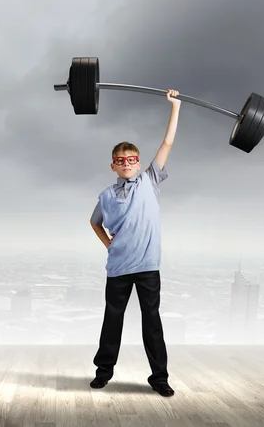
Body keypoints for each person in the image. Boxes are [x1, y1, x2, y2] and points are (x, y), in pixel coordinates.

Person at [88, 89, 181, 397]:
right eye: (120, 160)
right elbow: (94, 222)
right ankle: (103, 372)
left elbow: (167, 142)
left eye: (131, 159)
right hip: (118, 268)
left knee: (151, 323)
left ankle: (159, 377)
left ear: (139, 163)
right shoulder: (106, 195)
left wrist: (175, 107)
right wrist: (108, 244)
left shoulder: (149, 181)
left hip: (147, 267)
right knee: (112, 321)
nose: (126, 163)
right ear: (113, 165)